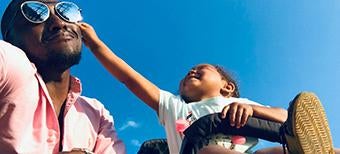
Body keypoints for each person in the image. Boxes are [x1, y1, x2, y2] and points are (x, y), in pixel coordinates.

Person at [78, 22, 288, 154]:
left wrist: (255, 110)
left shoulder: (238, 104)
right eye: (188, 72)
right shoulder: (174, 106)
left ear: (227, 87)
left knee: (275, 151)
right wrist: (96, 45)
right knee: (210, 152)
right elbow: (129, 79)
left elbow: (285, 117)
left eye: (201, 69)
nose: (191, 71)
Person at [0, 0, 125, 154]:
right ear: (11, 39)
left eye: (65, 12)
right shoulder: (10, 62)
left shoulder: (96, 113)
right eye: (35, 14)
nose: (59, 22)